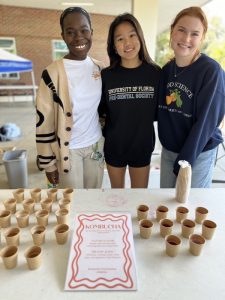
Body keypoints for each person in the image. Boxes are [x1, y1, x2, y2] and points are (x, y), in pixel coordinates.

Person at [36, 7, 105, 188]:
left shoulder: (100, 68)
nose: (78, 37)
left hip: (95, 146)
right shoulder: (51, 73)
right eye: (70, 32)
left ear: (92, 32)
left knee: (93, 199)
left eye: (84, 30)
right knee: (72, 203)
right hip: (68, 151)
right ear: (63, 36)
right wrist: (48, 164)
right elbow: (43, 121)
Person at [158, 6, 225, 188]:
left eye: (195, 34)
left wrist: (184, 161)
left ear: (202, 38)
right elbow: (157, 111)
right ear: (172, 31)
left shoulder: (211, 71)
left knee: (191, 207)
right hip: (170, 150)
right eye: (181, 30)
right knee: (165, 205)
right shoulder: (166, 71)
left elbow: (206, 123)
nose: (186, 39)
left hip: (198, 152)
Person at [98, 13, 160, 188]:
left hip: (142, 146)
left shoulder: (155, 73)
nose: (127, 43)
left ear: (140, 36)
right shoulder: (106, 76)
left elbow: (158, 112)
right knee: (117, 198)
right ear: (113, 46)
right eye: (120, 38)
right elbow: (100, 112)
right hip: (114, 146)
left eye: (132, 35)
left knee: (139, 201)